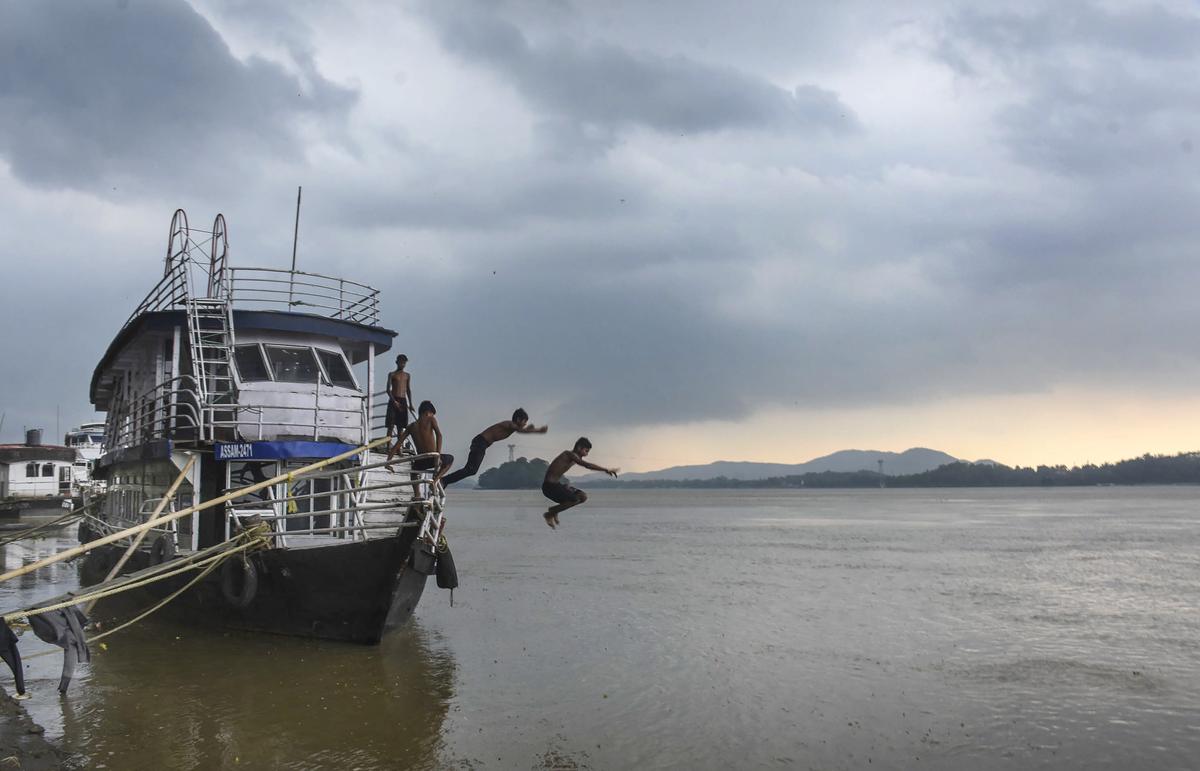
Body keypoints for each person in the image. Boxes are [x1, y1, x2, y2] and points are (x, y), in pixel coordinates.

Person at [440, 409, 548, 487]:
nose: (525, 424)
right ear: (518, 419)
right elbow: (520, 430)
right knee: (471, 469)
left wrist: (529, 429)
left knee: (471, 470)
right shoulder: (509, 424)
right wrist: (537, 430)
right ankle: (444, 481)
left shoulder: (512, 427)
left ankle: (445, 481)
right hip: (480, 442)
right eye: (524, 422)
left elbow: (520, 430)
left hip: (481, 444)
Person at [541, 437, 617, 529]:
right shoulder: (569, 454)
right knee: (574, 499)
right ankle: (549, 513)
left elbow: (583, 463)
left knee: (582, 496)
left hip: (557, 485)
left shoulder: (575, 458)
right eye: (586, 451)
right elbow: (587, 465)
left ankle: (554, 510)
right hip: (549, 487)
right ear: (579, 448)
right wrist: (605, 470)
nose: (586, 454)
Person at [385, 400, 453, 483]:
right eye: (432, 414)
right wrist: (437, 456)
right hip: (432, 458)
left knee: (414, 471)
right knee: (450, 459)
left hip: (421, 461)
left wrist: (388, 462)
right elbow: (439, 435)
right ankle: (435, 480)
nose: (432, 416)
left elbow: (397, 445)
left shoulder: (411, 427)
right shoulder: (431, 419)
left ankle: (417, 494)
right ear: (427, 413)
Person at [385, 355, 413, 438]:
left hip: (403, 400)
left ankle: (398, 448)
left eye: (404, 363)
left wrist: (410, 404)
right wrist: (394, 401)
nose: (402, 365)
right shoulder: (392, 374)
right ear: (397, 362)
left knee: (401, 426)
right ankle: (388, 446)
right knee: (391, 425)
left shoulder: (407, 375)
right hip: (394, 399)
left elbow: (408, 389)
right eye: (401, 362)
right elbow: (388, 390)